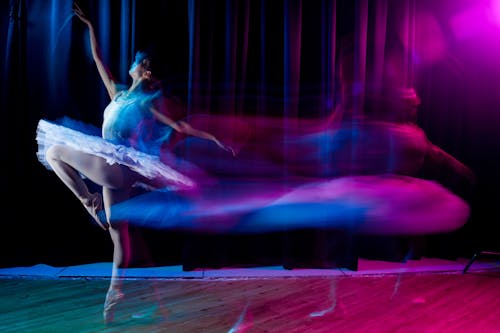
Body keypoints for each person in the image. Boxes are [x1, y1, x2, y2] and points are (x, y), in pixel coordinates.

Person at [36, 3, 234, 323]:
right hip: (114, 168)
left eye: (135, 60)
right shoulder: (118, 93)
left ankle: (88, 199)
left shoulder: (149, 101)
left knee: (55, 150)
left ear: (145, 68)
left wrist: (213, 138)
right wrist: (90, 28)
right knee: (118, 233)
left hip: (118, 164)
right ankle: (116, 293)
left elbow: (181, 127)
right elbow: (99, 60)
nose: (129, 63)